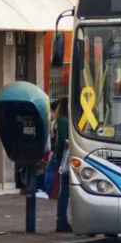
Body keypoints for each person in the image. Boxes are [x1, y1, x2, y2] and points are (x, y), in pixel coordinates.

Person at [54, 96, 72, 233]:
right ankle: (61, 220)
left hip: (62, 158)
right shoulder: (65, 120)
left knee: (65, 190)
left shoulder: (61, 119)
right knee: (65, 190)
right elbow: (64, 141)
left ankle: (62, 220)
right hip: (66, 159)